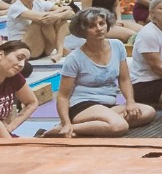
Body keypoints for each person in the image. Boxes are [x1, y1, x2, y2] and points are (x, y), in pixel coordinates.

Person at [49, 8, 155, 138]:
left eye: (102, 23)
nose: (99, 28)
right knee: (120, 126)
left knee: (147, 111)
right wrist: (65, 121)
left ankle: (91, 126)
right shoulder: (74, 58)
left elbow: (124, 79)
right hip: (83, 106)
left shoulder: (117, 46)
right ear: (82, 31)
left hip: (109, 105)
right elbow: (63, 96)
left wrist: (130, 102)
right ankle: (67, 127)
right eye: (92, 26)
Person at [6, 0, 72, 60]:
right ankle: (61, 50)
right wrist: (59, 13)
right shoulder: (16, 7)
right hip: (23, 49)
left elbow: (71, 13)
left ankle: (60, 51)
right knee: (41, 21)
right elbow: (40, 18)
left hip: (44, 49)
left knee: (61, 19)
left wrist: (58, 15)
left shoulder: (40, 3)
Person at [0, 40, 39, 138]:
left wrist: (11, 126)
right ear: (1, 54)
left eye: (25, 61)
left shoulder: (15, 77)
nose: (22, 64)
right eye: (19, 58)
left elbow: (32, 102)